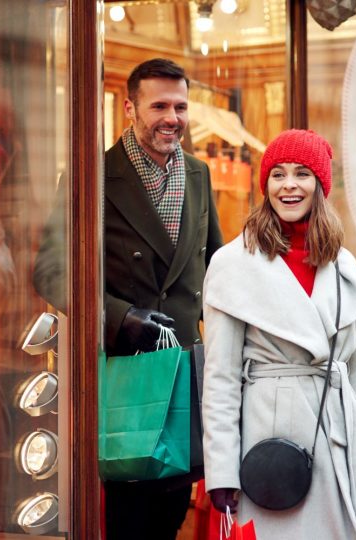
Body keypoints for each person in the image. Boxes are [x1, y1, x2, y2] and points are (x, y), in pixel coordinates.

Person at [33, 58, 223, 539]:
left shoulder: (198, 175)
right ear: (129, 108)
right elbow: (50, 270)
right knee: (128, 513)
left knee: (173, 509)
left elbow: (216, 267)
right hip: (123, 375)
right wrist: (119, 316)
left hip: (182, 370)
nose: (172, 117)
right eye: (159, 105)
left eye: (180, 106)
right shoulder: (92, 175)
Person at [201, 129, 356, 539]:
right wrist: (221, 471)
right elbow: (220, 379)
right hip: (272, 447)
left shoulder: (343, 264)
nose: (289, 185)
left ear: (320, 185)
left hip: (341, 437)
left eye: (302, 174)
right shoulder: (234, 264)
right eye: (278, 174)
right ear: (264, 184)